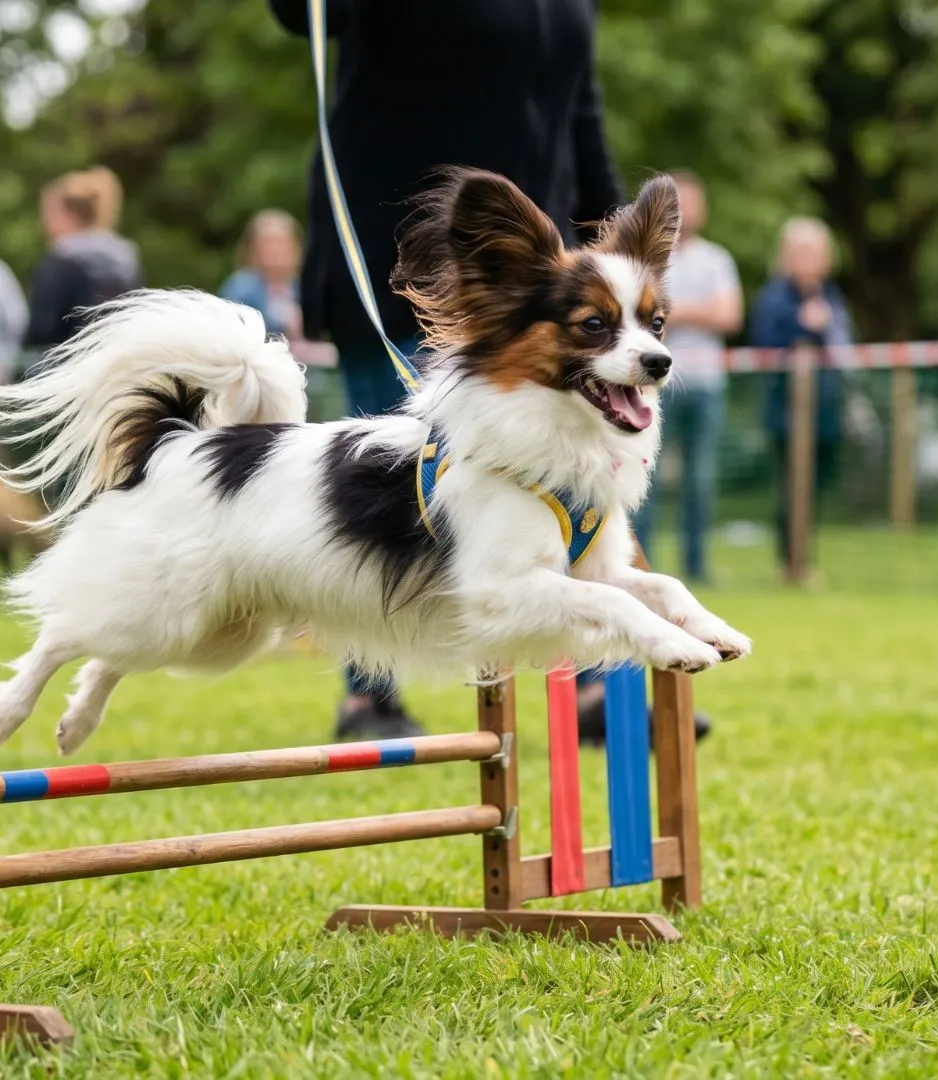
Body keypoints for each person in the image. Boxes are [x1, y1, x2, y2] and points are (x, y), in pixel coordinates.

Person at [271, 0, 627, 741]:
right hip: (400, 268)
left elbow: (580, 113)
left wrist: (616, 246)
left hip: (536, 293)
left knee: (570, 480)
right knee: (396, 490)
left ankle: (589, 685)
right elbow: (310, 16)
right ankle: (371, 694)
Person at [634, 171, 741, 584]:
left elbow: (729, 316)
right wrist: (693, 312)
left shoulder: (717, 260)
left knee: (701, 478)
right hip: (650, 387)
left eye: (692, 202)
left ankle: (697, 566)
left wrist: (671, 312)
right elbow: (648, 314)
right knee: (645, 478)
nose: (686, 211)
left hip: (705, 385)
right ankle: (640, 564)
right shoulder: (647, 261)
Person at [750, 216, 848, 581]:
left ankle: (804, 559)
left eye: (816, 252)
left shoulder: (830, 295)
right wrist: (804, 324)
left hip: (823, 407)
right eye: (802, 251)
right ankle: (789, 563)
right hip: (786, 409)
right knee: (791, 486)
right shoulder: (775, 296)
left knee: (814, 487)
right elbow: (767, 341)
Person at [24, 167, 142, 349]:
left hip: (64, 368)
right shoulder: (125, 262)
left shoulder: (61, 262)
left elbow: (42, 331)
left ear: (71, 215)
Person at [220, 209, 304, 341]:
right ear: (254, 249)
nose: (275, 251)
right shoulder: (240, 288)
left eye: (282, 244)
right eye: (268, 244)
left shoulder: (300, 288)